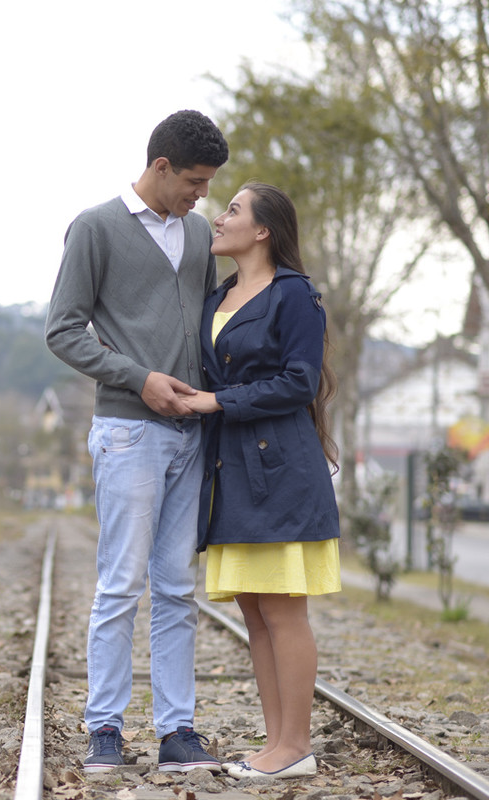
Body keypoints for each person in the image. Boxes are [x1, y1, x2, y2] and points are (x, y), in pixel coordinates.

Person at [45, 109, 229, 774]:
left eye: (208, 183)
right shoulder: (96, 228)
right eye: (195, 180)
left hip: (192, 432)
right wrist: (139, 379)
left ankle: (178, 732)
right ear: (160, 166)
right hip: (128, 430)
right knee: (121, 584)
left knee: (178, 587)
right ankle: (104, 731)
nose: (202, 193)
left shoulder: (202, 233)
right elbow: (62, 329)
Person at [178, 181, 341, 780]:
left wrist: (216, 401)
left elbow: (299, 382)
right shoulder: (218, 295)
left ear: (264, 230)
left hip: (279, 470)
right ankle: (278, 745)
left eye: (232, 210)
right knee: (253, 610)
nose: (218, 219)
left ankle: (293, 745)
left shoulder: (294, 295)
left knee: (282, 610)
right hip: (231, 471)